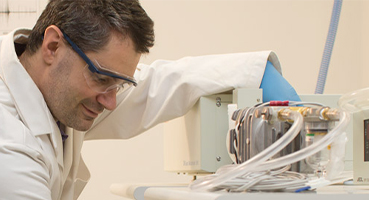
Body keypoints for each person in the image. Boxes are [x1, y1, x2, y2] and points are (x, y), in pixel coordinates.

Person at [0, 0, 299, 199]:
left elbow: (156, 84)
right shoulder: (9, 145)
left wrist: (256, 72)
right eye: (103, 79)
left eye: (119, 84)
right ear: (53, 47)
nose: (111, 102)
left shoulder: (53, 88)